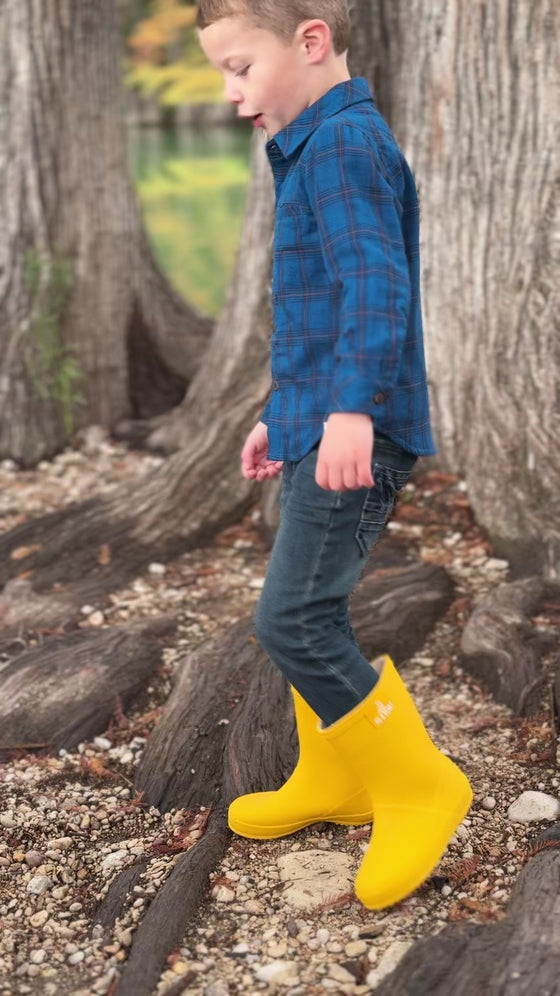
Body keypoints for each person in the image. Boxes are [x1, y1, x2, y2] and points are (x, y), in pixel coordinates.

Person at [197, 0, 472, 911]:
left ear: (310, 41)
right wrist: (289, 412)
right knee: (312, 608)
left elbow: (375, 288)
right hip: (322, 423)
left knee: (293, 622)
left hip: (359, 427)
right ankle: (338, 774)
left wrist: (350, 409)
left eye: (241, 67)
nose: (236, 97)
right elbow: (315, 310)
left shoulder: (347, 147)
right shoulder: (317, 146)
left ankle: (420, 785)